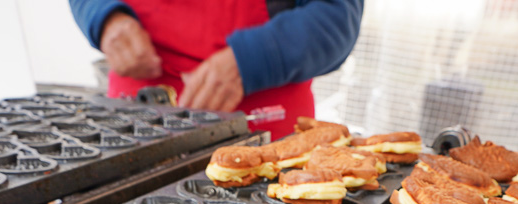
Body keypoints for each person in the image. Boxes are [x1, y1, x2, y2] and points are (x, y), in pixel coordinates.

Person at [69, 0, 364, 138]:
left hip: (264, 133)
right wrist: (104, 16)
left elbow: (336, 19)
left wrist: (254, 59)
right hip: (134, 122)